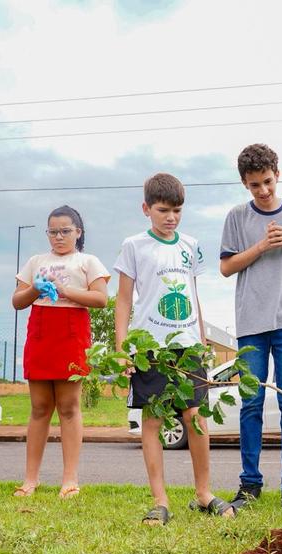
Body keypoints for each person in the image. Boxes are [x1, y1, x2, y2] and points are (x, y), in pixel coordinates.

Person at [114, 173, 234, 525]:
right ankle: (160, 500)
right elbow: (123, 301)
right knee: (152, 420)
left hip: (187, 346)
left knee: (195, 418)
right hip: (151, 348)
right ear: (146, 209)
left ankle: (203, 493)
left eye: (177, 211)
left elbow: (194, 296)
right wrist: (123, 349)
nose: (171, 218)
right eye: (163, 210)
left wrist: (201, 341)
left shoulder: (191, 245)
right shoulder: (133, 246)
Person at [220, 143, 282, 510]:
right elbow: (227, 267)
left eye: (267, 182)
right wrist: (261, 246)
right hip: (251, 322)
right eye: (254, 185)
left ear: (277, 174)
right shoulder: (236, 217)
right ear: (244, 184)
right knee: (251, 402)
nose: (262, 191)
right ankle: (250, 485)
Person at [12, 205, 109, 499]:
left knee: (68, 407)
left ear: (78, 232)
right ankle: (30, 479)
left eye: (65, 231)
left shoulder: (88, 261)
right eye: (53, 232)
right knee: (40, 408)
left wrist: (66, 292)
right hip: (41, 332)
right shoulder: (35, 261)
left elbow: (101, 299)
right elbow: (17, 301)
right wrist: (35, 290)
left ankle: (70, 479)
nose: (58, 237)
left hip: (71, 333)